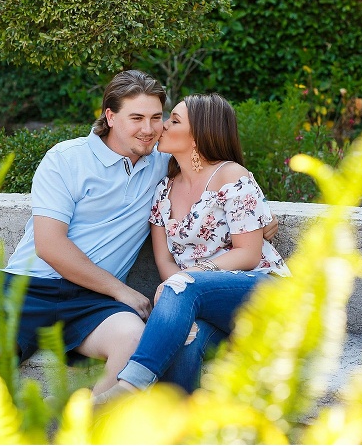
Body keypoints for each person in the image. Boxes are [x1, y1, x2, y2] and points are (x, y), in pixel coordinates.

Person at [0, 71, 278, 396]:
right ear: (110, 116)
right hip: (28, 288)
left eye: (157, 118)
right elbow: (50, 245)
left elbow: (219, 175)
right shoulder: (66, 159)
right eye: (137, 118)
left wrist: (264, 220)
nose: (149, 129)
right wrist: (121, 290)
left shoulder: (162, 163)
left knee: (132, 339)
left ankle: (86, 425)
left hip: (94, 303)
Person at [93, 92, 290, 405]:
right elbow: (165, 260)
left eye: (174, 121)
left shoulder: (231, 176)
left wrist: (188, 278)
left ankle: (128, 388)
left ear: (198, 135)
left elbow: (248, 253)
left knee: (184, 284)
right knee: (185, 343)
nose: (163, 127)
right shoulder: (164, 189)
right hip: (202, 305)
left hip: (261, 293)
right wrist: (177, 287)